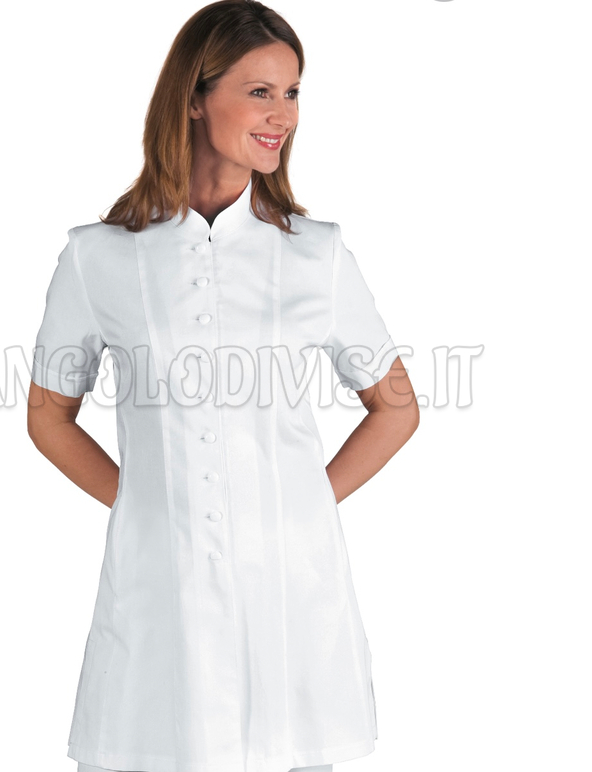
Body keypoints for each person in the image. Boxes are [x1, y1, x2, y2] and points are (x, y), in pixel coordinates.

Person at [27, 2, 420, 772]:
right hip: (159, 593)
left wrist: (298, 500)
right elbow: (49, 417)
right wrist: (146, 501)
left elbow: (395, 409)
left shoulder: (316, 255)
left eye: (293, 93)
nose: (284, 116)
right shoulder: (98, 257)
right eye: (261, 92)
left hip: (291, 591)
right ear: (195, 97)